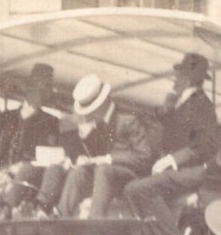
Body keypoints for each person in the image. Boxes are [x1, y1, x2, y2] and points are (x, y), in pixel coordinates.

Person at [123, 52, 218, 235]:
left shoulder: (202, 105)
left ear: (190, 78)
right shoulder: (180, 104)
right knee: (132, 187)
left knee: (138, 190)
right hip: (177, 170)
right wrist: (164, 110)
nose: (175, 79)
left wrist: (173, 159)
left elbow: (205, 145)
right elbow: (167, 126)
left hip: (194, 172)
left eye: (180, 75)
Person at [0, 63, 60, 219]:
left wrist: (20, 168)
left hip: (27, 178)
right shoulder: (7, 118)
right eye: (39, 90)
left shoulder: (50, 122)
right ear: (29, 91)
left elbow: (48, 157)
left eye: (45, 91)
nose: (43, 95)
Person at [56, 73, 152, 219]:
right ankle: (61, 219)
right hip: (105, 179)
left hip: (128, 176)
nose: (87, 115)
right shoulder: (97, 124)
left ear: (101, 104)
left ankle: (95, 221)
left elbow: (143, 156)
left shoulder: (128, 119)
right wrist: (84, 149)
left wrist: (105, 159)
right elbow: (93, 157)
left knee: (103, 170)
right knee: (78, 172)